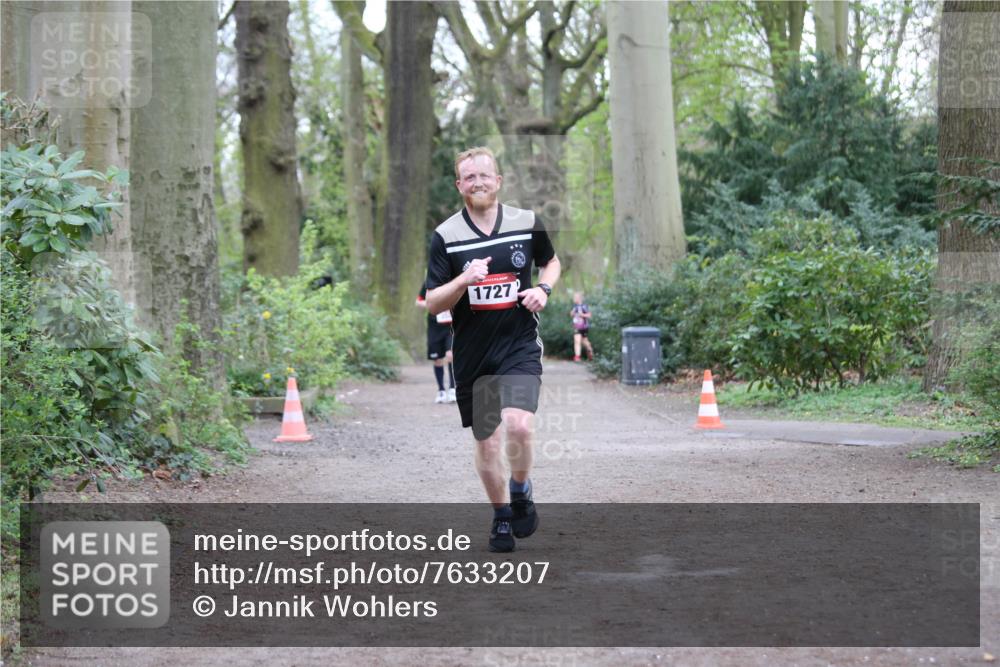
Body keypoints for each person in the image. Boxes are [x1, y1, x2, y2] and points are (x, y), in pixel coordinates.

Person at [425, 146, 561, 552]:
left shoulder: (526, 222)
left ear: (498, 180)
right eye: (469, 177)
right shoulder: (446, 236)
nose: (478, 182)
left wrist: (543, 289)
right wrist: (464, 279)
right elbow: (433, 302)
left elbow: (551, 262)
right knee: (487, 440)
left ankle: (520, 490)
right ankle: (502, 515)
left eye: (485, 175)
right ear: (459, 186)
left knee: (519, 424)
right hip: (474, 353)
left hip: (518, 344)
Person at [416, 284, 456, 403]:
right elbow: (418, 302)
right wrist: (434, 304)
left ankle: (453, 389)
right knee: (437, 359)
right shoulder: (430, 282)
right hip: (435, 326)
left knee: (450, 355)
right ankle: (441, 390)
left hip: (451, 326)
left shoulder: (454, 279)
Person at [570, 291, 594, 362]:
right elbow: (572, 314)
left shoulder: (584, 306)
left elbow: (589, 315)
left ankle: (589, 350)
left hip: (583, 326)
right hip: (577, 326)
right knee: (577, 340)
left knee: (583, 341)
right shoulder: (575, 306)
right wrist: (572, 313)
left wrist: (582, 315)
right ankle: (578, 356)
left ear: (579, 298)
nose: (573, 299)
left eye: (575, 297)